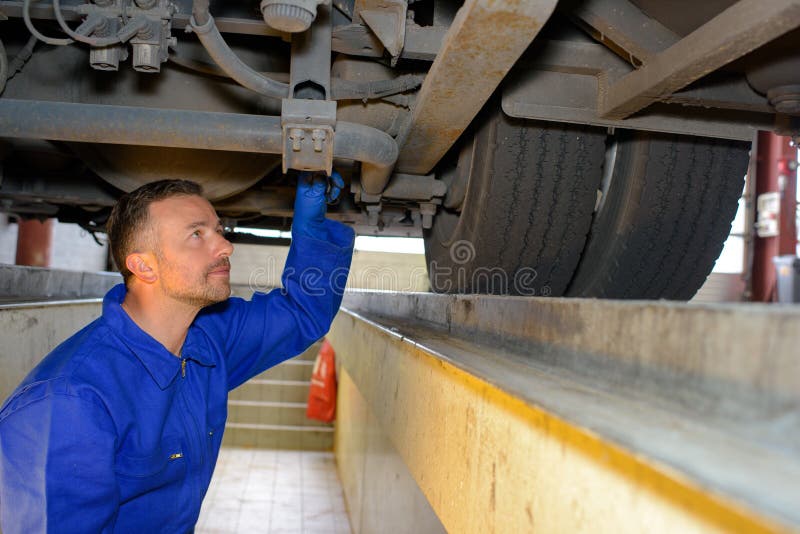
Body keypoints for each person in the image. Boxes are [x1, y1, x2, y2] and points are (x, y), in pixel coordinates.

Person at [0, 172, 354, 532]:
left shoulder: (204, 338)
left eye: (219, 230)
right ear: (143, 265)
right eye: (197, 234)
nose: (226, 246)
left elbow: (301, 313)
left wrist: (313, 227)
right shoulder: (70, 403)